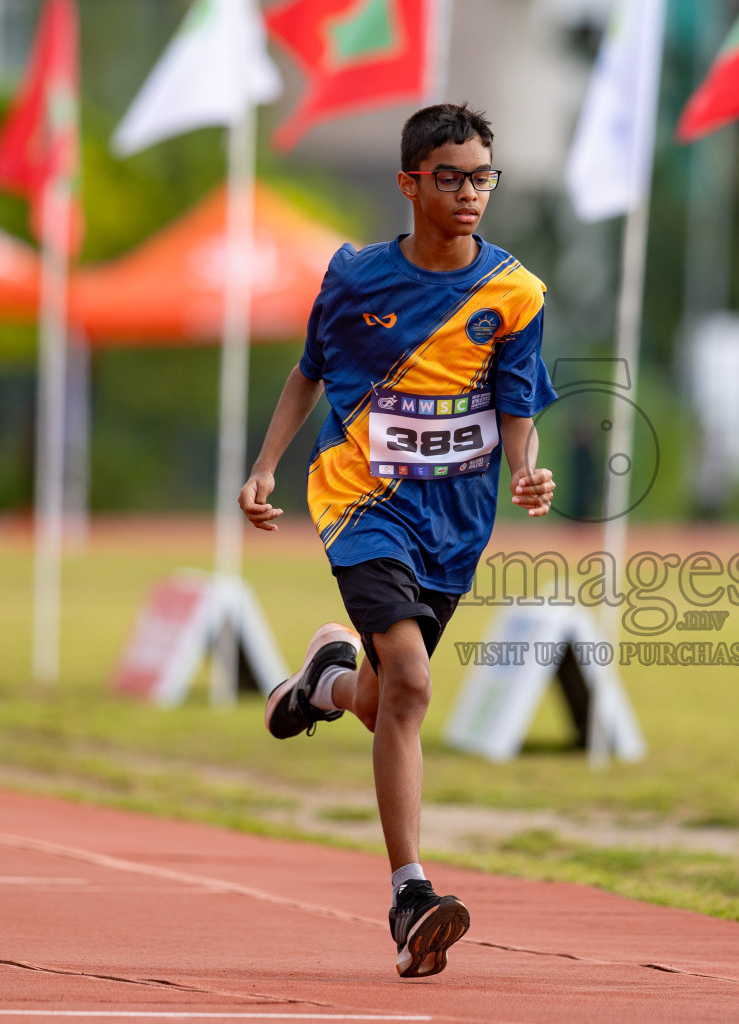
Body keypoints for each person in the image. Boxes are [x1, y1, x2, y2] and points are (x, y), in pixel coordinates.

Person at [238, 102, 557, 980]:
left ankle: (324, 682)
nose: (469, 194)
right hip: (361, 501)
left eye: (482, 177)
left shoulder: (516, 293)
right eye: (450, 177)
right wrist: (265, 467)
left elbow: (517, 405)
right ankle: (410, 892)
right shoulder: (354, 277)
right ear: (411, 182)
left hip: (457, 522)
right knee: (414, 682)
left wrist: (527, 469)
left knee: (385, 702)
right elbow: (310, 372)